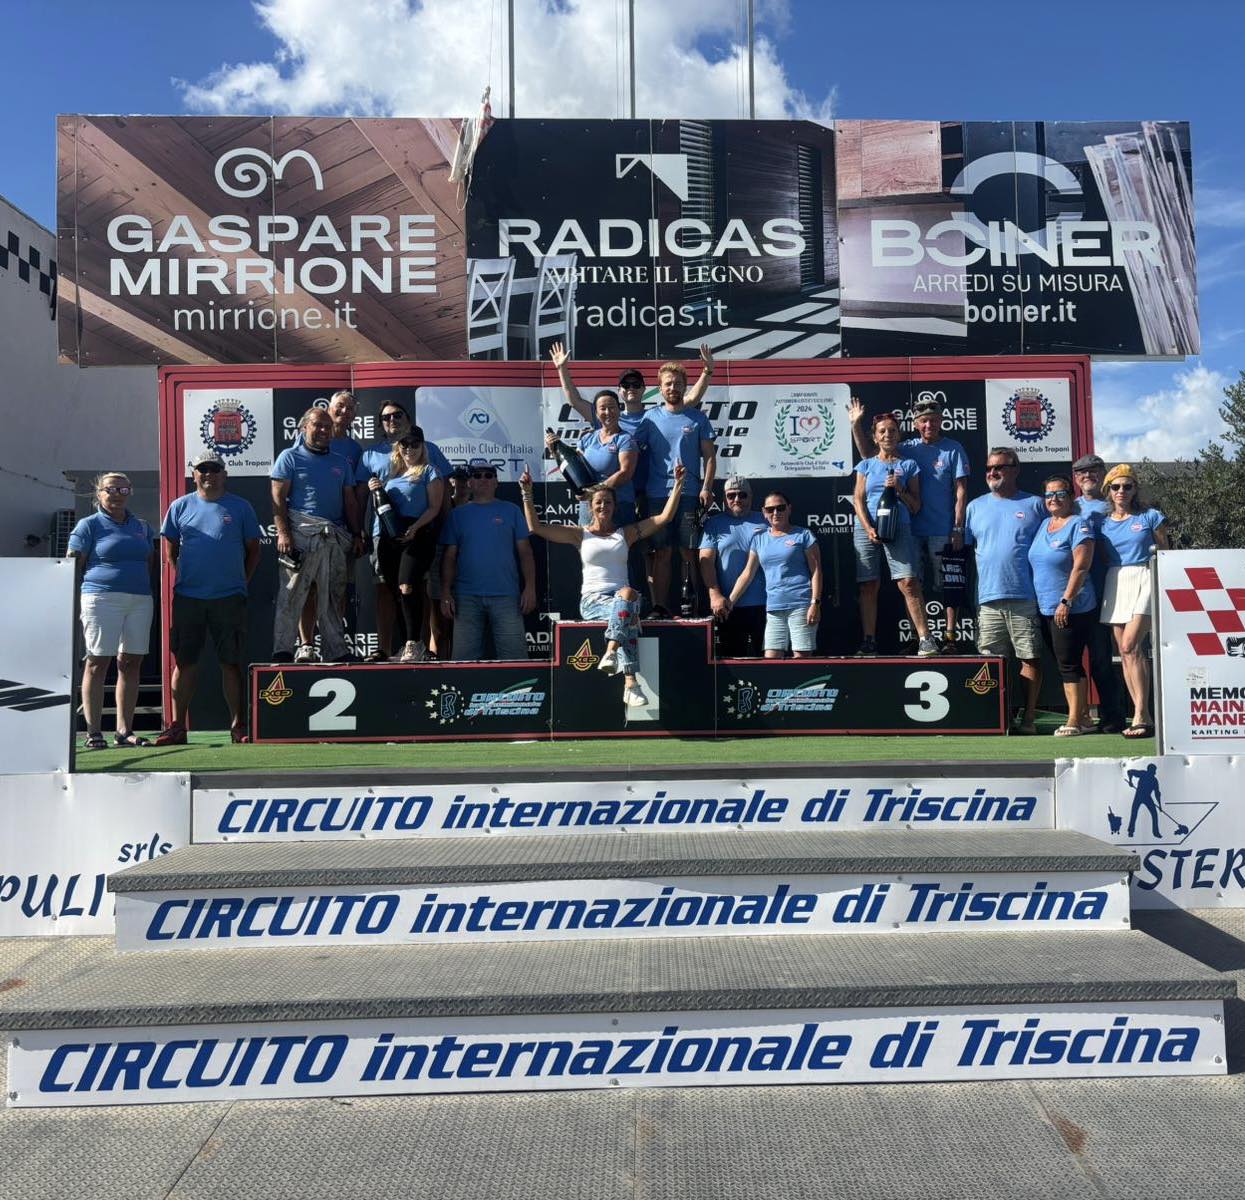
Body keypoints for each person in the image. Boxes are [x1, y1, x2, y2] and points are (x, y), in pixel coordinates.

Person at [520, 464, 687, 706]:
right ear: (590, 507)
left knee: (627, 596)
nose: (603, 506)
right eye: (598, 502)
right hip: (592, 601)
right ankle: (629, 681)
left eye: (608, 502)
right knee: (629, 614)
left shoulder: (625, 533)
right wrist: (527, 493)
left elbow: (664, 518)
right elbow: (536, 527)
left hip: (624, 599)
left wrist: (679, 484)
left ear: (615, 507)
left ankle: (612, 653)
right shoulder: (580, 534)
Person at [156, 452, 262, 745]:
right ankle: (178, 726)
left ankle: (238, 726)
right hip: (188, 597)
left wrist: (240, 582)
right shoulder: (179, 506)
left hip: (229, 598)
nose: (209, 474)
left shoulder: (241, 507)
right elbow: (170, 549)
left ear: (224, 474)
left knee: (231, 663)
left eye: (215, 469)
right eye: (203, 469)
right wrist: (185, 577)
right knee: (185, 662)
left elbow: (254, 550)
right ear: (194, 475)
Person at [851, 395, 969, 649]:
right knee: (910, 583)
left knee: (946, 584)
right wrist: (855, 425)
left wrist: (958, 527)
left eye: (933, 420)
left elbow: (961, 491)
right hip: (911, 530)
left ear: (941, 421)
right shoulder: (907, 447)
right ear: (915, 424)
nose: (929, 425)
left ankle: (949, 638)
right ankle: (916, 639)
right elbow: (869, 455)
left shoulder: (951, 449)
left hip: (940, 527)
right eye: (923, 421)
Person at [355, 401, 454, 660]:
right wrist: (359, 529)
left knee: (418, 586)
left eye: (397, 415)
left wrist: (442, 526)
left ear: (408, 419)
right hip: (384, 533)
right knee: (389, 589)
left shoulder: (430, 456)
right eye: (386, 417)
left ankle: (424, 647)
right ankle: (387, 649)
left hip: (420, 532)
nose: (392, 420)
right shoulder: (372, 456)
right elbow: (363, 496)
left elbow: (442, 497)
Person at [67, 472, 156, 749]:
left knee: (131, 662)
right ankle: (93, 732)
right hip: (100, 598)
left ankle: (124, 731)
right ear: (99, 493)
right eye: (111, 489)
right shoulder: (88, 525)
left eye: (123, 489)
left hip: (139, 599)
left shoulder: (142, 526)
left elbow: (149, 561)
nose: (117, 494)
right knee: (98, 662)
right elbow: (73, 564)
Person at [963, 448, 1047, 734]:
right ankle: (998, 719)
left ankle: (1029, 718)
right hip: (987, 598)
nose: (992, 473)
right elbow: (966, 550)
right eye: (989, 468)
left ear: (1015, 469)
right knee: (991, 663)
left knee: (1029, 657)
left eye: (999, 467)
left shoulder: (1035, 504)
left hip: (1025, 595)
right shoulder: (974, 507)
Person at [270, 408, 362, 664]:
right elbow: (277, 497)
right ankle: (284, 650)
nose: (323, 431)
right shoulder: (289, 457)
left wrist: (356, 533)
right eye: (317, 425)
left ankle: (336, 650)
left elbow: (350, 501)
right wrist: (283, 533)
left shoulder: (341, 462)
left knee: (333, 595)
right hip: (301, 532)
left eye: (327, 427)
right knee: (293, 593)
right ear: (304, 428)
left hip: (334, 535)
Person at [851, 412, 939, 658]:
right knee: (868, 584)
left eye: (892, 430)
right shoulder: (866, 465)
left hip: (899, 526)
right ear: (875, 437)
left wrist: (900, 490)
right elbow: (858, 499)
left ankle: (925, 639)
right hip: (867, 527)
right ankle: (869, 641)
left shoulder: (909, 465)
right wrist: (868, 527)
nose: (887, 435)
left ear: (899, 435)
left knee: (908, 582)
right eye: (882, 431)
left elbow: (916, 506)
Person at [639, 360, 717, 616]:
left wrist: (706, 487)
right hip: (657, 495)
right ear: (660, 388)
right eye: (668, 384)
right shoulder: (649, 418)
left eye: (677, 384)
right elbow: (631, 449)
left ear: (685, 386)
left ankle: (693, 607)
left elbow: (710, 457)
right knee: (662, 552)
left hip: (689, 494)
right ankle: (660, 606)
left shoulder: (698, 418)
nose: (673, 388)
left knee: (689, 551)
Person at [439, 459, 536, 661]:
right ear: (469, 483)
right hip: (466, 598)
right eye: (477, 475)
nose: (483, 479)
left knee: (516, 661)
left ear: (496, 482)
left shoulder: (512, 510)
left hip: (506, 596)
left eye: (489, 475)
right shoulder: (457, 515)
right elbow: (449, 557)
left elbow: (525, 552)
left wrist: (530, 588)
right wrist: (446, 592)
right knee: (463, 662)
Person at [1099, 464, 1169, 739]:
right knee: (1125, 651)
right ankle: (1143, 717)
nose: (1121, 491)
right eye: (1116, 487)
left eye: (1127, 486)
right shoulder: (1102, 523)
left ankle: (1141, 714)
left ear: (1135, 489)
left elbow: (1165, 552)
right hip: (1115, 580)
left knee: (1131, 644)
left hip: (1147, 575)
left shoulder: (1151, 516)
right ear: (1108, 491)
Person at [1027, 474, 1097, 738]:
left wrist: (1066, 601)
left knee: (1068, 664)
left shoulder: (1078, 524)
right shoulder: (1045, 524)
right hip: (1046, 607)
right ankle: (1085, 717)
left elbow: (1081, 566)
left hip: (1071, 607)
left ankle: (1073, 721)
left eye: (1060, 494)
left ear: (1071, 497)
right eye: (1049, 494)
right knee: (1067, 661)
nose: (1053, 499)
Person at [725, 491, 823, 659]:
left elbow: (816, 571)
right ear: (764, 513)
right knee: (771, 661)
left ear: (789, 509)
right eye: (770, 509)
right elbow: (747, 574)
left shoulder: (804, 535)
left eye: (780, 508)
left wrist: (815, 603)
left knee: (801, 660)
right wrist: (730, 602)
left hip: (801, 606)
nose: (776, 513)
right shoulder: (759, 539)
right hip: (773, 609)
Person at [1071, 452, 1126, 733]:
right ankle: (1079, 716)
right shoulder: (1068, 506)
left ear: (1103, 474)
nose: (1087, 476)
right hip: (1075, 595)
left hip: (1107, 590)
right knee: (1071, 659)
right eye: (1082, 472)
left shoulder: (1115, 504)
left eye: (1093, 471)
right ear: (1075, 478)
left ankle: (1113, 715)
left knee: (1103, 659)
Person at [543, 389, 639, 526]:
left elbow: (625, 473)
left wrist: (594, 492)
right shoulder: (587, 438)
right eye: (603, 408)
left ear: (619, 410)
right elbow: (574, 466)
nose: (607, 412)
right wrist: (554, 450)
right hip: (589, 507)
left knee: (619, 541)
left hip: (619, 507)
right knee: (587, 540)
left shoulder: (626, 439)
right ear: (596, 413)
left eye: (612, 407)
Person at [699, 476, 767, 657]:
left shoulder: (767, 520)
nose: (737, 499)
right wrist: (714, 594)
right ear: (724, 498)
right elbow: (706, 561)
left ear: (751, 497)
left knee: (770, 664)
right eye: (731, 495)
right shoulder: (713, 523)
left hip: (766, 605)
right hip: (727, 607)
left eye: (742, 495)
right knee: (732, 663)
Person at [427, 466, 470, 659]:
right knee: (440, 625)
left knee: (463, 628)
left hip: (468, 567)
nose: (461, 484)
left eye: (465, 480)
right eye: (457, 480)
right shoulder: (440, 506)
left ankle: (460, 667)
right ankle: (439, 665)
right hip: (439, 561)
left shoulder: (477, 508)